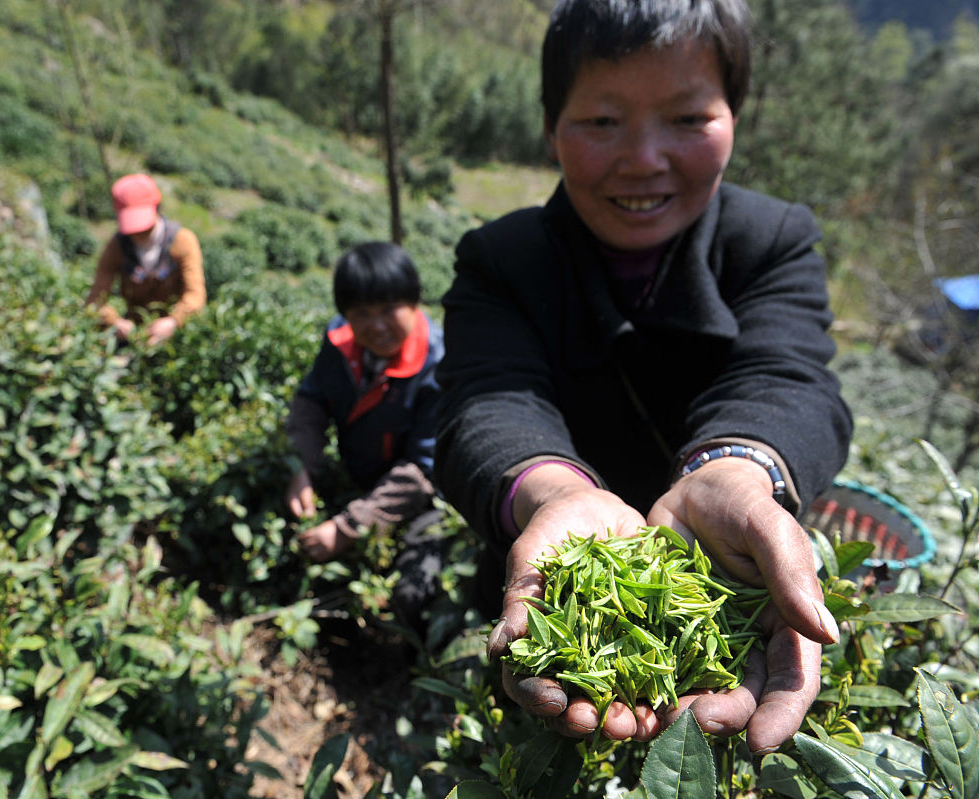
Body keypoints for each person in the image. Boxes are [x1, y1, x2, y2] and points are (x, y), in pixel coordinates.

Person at [433, 0, 853, 756]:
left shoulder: (774, 241)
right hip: (536, 567)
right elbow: (487, 400)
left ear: (735, 115)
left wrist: (737, 471)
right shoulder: (502, 258)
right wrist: (558, 495)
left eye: (688, 118)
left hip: (721, 556)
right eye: (602, 121)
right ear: (550, 124)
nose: (645, 158)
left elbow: (788, 378)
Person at [284, 242, 445, 624]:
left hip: (426, 500)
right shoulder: (339, 342)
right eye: (362, 313)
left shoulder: (437, 365)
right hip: (362, 473)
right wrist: (300, 467)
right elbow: (311, 402)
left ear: (414, 302)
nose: (377, 325)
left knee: (413, 594)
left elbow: (421, 470)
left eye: (390, 309)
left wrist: (347, 528)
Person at [85, 173, 206, 346]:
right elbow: (95, 299)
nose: (137, 232)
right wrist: (115, 322)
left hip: (177, 335)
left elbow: (195, 294)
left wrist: (174, 321)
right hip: (135, 335)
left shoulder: (183, 241)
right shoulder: (116, 247)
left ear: (157, 208)